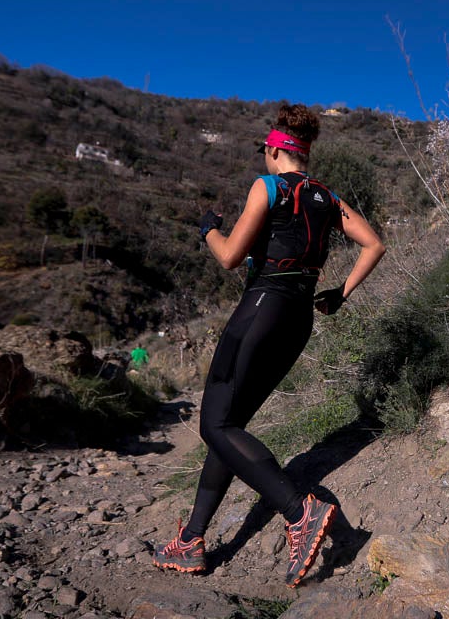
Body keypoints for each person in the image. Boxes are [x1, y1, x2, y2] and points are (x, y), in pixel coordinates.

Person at [154, 103, 385, 587]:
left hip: (260, 309)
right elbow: (374, 244)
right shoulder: (328, 196)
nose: (264, 157)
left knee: (213, 422)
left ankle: (299, 511)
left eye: (266, 150)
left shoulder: (268, 187)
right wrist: (339, 294)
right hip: (298, 317)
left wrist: (207, 230)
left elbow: (230, 257)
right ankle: (193, 538)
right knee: (229, 424)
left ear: (277, 149)